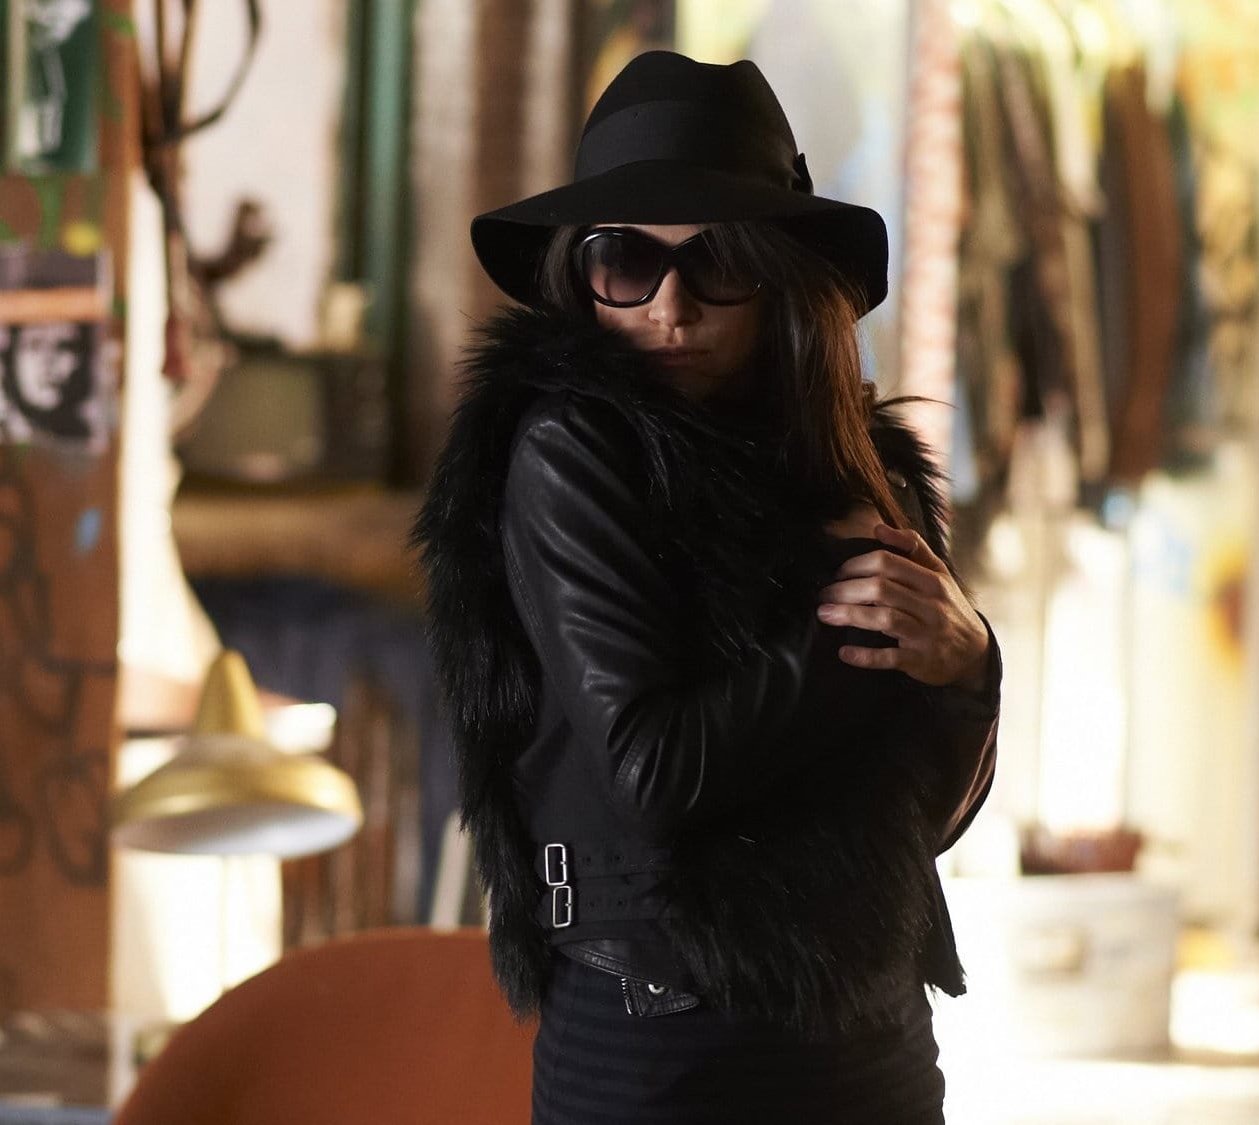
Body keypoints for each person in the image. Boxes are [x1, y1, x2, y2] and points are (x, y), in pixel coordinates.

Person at [409, 51, 1002, 1123]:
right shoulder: (572, 447)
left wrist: (969, 668)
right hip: (660, 1039)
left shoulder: (861, 467)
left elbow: (921, 816)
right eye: (625, 260)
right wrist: (844, 628)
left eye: (715, 260)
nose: (670, 307)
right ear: (580, 273)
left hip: (868, 1030)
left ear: (775, 273)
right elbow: (652, 771)